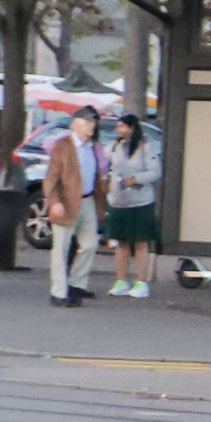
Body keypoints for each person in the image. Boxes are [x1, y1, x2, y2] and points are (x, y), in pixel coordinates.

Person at [42, 106, 108, 306]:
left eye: (93, 122)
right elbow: (51, 178)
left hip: (87, 200)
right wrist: (54, 202)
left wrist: (105, 190)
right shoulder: (63, 146)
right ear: (75, 123)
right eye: (87, 122)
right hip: (66, 200)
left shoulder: (92, 146)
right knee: (61, 249)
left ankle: (76, 284)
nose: (91, 126)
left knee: (89, 244)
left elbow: (97, 176)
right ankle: (59, 292)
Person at [104, 114, 161, 298]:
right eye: (118, 126)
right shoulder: (113, 146)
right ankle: (121, 280)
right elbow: (104, 167)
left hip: (140, 201)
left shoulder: (145, 147)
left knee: (140, 243)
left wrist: (136, 179)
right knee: (120, 242)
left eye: (122, 126)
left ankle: (141, 282)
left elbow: (155, 172)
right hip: (118, 201)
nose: (119, 130)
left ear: (132, 128)